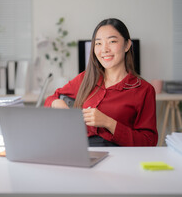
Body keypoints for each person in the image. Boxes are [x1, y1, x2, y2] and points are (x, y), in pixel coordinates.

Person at [44, 18, 158, 146]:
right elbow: (50, 99)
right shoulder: (86, 78)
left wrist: (108, 123)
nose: (104, 49)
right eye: (98, 43)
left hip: (119, 158)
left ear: (127, 45)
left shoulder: (143, 90)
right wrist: (57, 103)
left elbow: (149, 142)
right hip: (80, 151)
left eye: (112, 41)